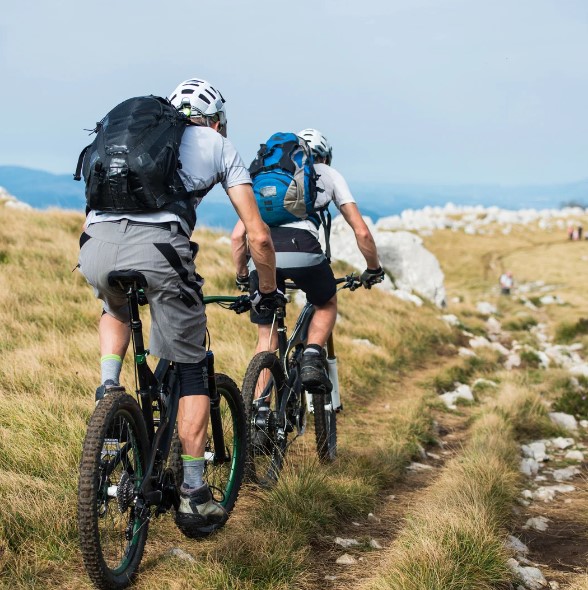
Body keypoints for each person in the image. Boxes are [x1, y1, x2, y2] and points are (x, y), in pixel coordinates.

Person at [78, 78, 279, 533]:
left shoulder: (132, 136)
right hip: (159, 251)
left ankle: (109, 387)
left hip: (94, 248)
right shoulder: (216, 144)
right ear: (215, 119)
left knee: (114, 308)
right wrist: (265, 291)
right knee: (192, 369)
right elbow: (258, 235)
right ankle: (192, 493)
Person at [231, 128, 384, 392]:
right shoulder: (328, 174)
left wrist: (243, 274)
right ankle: (313, 354)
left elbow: (237, 237)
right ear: (324, 157)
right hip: (304, 249)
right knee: (326, 302)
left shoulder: (266, 178)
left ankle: (258, 412)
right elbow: (361, 231)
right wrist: (373, 268)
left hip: (262, 256)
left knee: (266, 339)